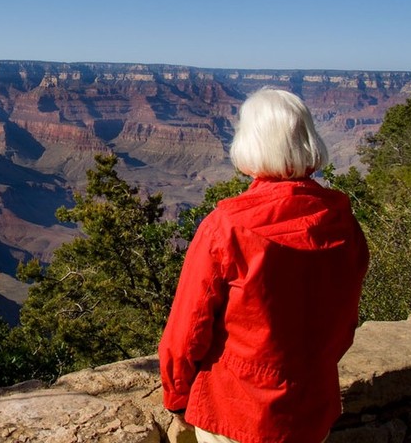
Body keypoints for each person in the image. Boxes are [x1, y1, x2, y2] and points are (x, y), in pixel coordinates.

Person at [158, 88, 369, 443]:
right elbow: (345, 317)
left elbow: (188, 328)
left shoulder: (226, 227)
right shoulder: (342, 219)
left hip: (236, 411)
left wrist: (177, 395)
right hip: (311, 407)